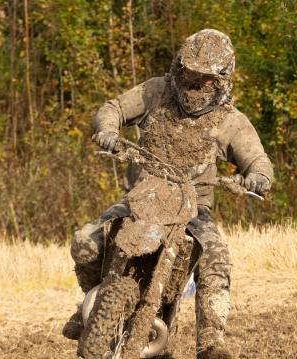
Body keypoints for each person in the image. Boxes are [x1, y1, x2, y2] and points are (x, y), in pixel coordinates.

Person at [63, 29, 273, 359]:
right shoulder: (155, 91)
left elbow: (257, 158)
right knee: (85, 243)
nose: (194, 81)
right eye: (189, 71)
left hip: (193, 209)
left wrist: (258, 177)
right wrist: (107, 130)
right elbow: (113, 108)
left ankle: (210, 344)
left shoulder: (230, 120)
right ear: (178, 66)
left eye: (205, 77)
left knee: (216, 257)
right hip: (140, 198)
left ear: (221, 80)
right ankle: (92, 304)